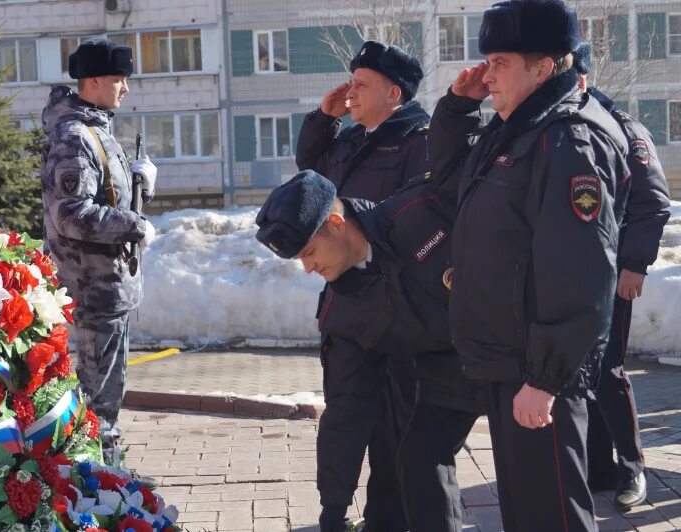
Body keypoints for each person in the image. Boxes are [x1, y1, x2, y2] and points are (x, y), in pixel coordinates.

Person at [428, 1, 631, 529]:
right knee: (527, 515)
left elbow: (581, 273)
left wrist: (545, 379)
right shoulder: (515, 130)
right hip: (511, 365)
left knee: (552, 516)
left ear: (544, 67)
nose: (486, 75)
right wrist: (456, 107)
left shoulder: (567, 141)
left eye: (500, 62)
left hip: (539, 376)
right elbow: (448, 184)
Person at [255, 169, 485, 532]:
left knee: (531, 471)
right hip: (447, 372)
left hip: (514, 354)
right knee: (418, 460)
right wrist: (333, 508)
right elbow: (347, 410)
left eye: (310, 251)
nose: (308, 267)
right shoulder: (342, 312)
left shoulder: (424, 211)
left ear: (336, 222)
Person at [295, 40, 429, 531]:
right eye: (350, 81)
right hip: (345, 305)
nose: (350, 91)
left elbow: (421, 223)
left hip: (398, 309)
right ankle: (333, 515)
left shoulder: (422, 141)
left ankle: (385, 519)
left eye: (361, 84)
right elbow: (309, 175)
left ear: (394, 92)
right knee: (344, 417)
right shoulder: (352, 140)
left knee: (395, 424)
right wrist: (324, 118)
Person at [40, 37, 158, 464]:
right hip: (93, 287)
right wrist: (134, 224)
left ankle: (105, 474)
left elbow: (107, 195)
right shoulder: (75, 136)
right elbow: (70, 213)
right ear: (92, 81)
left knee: (107, 393)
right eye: (118, 79)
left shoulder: (96, 127)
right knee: (96, 399)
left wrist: (139, 184)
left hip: (110, 287)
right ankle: (97, 483)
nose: (125, 87)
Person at [573, 42, 672, 509]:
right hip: (567, 278)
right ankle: (598, 469)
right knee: (578, 373)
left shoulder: (621, 129)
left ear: (580, 77)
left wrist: (635, 264)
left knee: (608, 373)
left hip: (612, 277)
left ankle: (634, 470)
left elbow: (653, 202)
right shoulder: (559, 129)